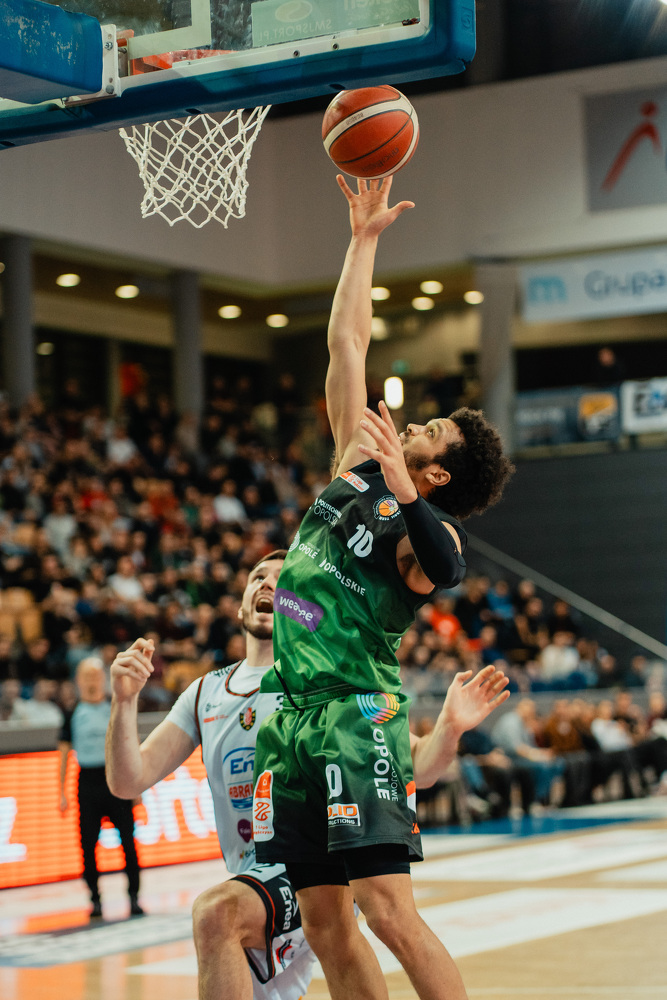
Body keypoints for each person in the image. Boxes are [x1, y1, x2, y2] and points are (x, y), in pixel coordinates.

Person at [252, 175, 514, 1000]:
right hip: (291, 716)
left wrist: (404, 494)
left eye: (430, 434)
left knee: (387, 910)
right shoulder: (353, 463)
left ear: (436, 474)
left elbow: (446, 571)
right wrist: (362, 241)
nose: (414, 424)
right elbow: (347, 345)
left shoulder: (428, 535)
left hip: (354, 712)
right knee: (324, 923)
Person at [105, 549, 509, 1000]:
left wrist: (449, 729)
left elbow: (418, 766)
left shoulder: (326, 677)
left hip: (311, 867)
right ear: (239, 606)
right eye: (257, 576)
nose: (266, 583)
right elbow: (127, 780)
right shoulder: (205, 692)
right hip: (254, 878)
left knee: (217, 914)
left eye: (281, 578)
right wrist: (124, 700)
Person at [58, 656, 143, 920]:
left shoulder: (115, 707)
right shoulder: (72, 713)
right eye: (87, 677)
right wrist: (61, 791)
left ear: (103, 679)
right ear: (78, 681)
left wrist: (138, 786)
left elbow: (130, 743)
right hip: (87, 781)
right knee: (87, 844)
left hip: (116, 780)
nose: (92, 681)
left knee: (128, 841)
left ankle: (134, 897)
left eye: (96, 676)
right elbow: (64, 753)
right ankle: (95, 899)